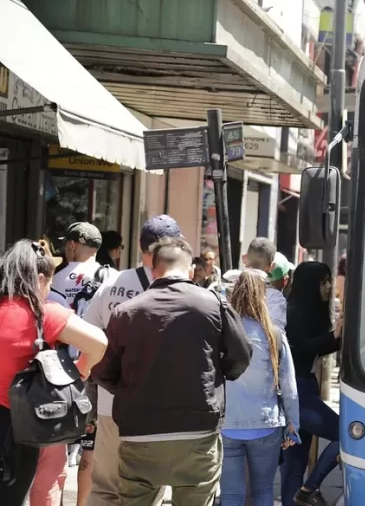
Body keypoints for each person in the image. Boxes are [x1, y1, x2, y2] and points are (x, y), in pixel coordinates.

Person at [92, 236, 252, 506]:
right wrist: (215, 376)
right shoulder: (213, 304)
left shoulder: (125, 313)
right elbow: (241, 357)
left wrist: (134, 388)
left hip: (140, 432)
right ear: (190, 271)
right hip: (198, 431)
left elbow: (104, 372)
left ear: (153, 271)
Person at [83, 215, 182, 506]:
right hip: (155, 408)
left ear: (140, 247)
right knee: (147, 489)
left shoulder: (112, 284)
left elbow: (89, 337)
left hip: (110, 403)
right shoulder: (180, 290)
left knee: (104, 488)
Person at [0, 240, 107, 506]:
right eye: (49, 280)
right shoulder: (43, 314)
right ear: (38, 279)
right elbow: (99, 344)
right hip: (17, 427)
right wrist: (81, 371)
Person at [220, 268, 300, 506]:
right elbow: (289, 385)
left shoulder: (220, 332)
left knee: (231, 495)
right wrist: (293, 426)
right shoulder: (273, 333)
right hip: (266, 425)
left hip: (227, 424)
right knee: (263, 492)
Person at [280, 262, 342, 506]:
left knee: (295, 464)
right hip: (298, 393)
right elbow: (301, 349)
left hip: (303, 390)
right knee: (346, 436)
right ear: (309, 285)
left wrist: (336, 337)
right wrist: (334, 337)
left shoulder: (306, 311)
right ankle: (310, 489)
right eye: (323, 282)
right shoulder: (294, 312)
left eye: (329, 281)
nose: (328, 287)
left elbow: (315, 347)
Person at [242, 238, 287, 331]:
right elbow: (276, 335)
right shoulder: (275, 298)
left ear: (244, 258)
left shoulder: (223, 286)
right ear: (271, 266)